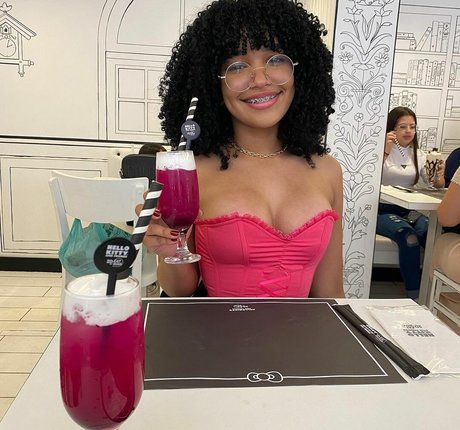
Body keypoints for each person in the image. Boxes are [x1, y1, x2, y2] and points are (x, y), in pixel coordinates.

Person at [138, 0, 344, 298]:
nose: (260, 79)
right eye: (237, 66)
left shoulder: (327, 170)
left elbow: (331, 295)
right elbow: (180, 291)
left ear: (300, 70)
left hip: (301, 330)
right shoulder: (192, 172)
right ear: (213, 83)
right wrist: (169, 249)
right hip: (216, 328)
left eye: (275, 59)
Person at [378, 106, 445, 299]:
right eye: (402, 127)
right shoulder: (379, 151)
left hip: (410, 211)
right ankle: (414, 296)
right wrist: (384, 151)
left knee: (430, 233)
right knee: (409, 237)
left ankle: (432, 294)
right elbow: (369, 177)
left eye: (412, 127)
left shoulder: (419, 154)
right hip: (382, 210)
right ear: (391, 129)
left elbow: (435, 185)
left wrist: (439, 175)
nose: (408, 131)